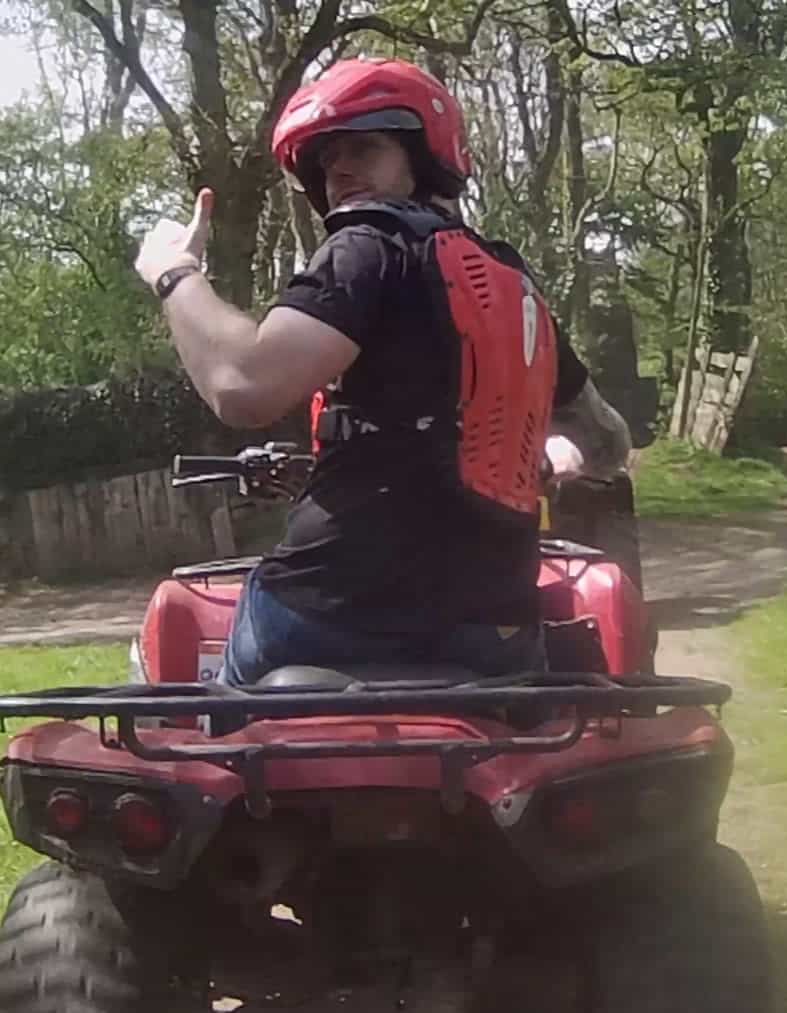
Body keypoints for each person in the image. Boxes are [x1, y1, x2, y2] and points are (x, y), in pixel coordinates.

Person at [131, 57, 632, 685]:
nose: (337, 170)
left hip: (327, 615)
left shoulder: (370, 244)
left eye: (363, 148)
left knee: (199, 717)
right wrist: (546, 454)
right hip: (493, 632)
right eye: (325, 160)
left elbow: (243, 384)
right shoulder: (519, 291)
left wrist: (175, 273)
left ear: (425, 156)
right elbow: (608, 443)